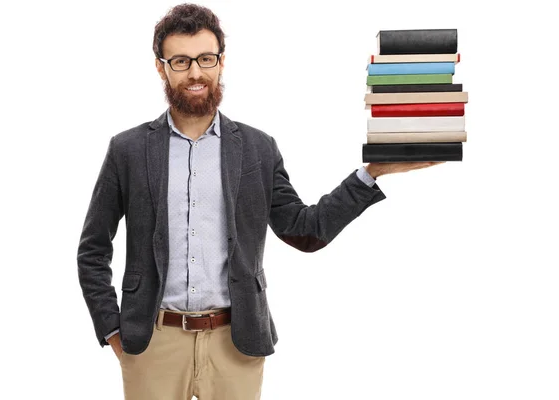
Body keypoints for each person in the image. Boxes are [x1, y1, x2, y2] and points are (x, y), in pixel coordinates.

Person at [76, 3, 442, 399]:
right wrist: (112, 330)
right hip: (152, 341)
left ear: (221, 62)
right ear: (161, 66)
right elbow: (93, 249)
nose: (195, 72)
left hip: (237, 341)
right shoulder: (127, 149)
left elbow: (305, 230)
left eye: (205, 58)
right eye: (180, 61)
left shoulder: (257, 149)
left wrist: (372, 173)